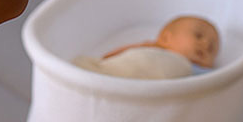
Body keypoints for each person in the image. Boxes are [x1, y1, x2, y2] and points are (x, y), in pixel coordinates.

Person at [72, 16, 221, 80]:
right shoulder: (149, 47)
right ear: (166, 38)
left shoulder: (197, 72)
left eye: (212, 49)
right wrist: (104, 61)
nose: (206, 44)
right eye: (198, 36)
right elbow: (122, 55)